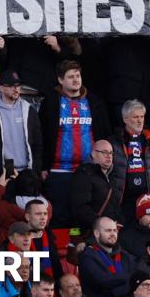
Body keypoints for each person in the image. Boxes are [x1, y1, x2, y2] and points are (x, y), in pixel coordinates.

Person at [40, 60, 111, 225]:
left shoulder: (94, 102)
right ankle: (63, 250)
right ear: (60, 80)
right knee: (61, 216)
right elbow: (42, 136)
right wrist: (43, 166)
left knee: (84, 216)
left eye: (78, 76)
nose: (76, 80)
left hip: (89, 170)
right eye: (70, 77)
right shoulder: (51, 102)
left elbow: (105, 135)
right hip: (59, 171)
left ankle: (83, 248)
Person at [0, 70, 42, 184]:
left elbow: (38, 143)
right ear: (1, 88)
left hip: (28, 173)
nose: (16, 89)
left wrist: (36, 171)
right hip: (2, 175)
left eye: (18, 85)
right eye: (11, 86)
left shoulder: (29, 110)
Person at [78, 216, 134, 297]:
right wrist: (127, 279)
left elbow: (135, 279)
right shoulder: (87, 256)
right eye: (108, 231)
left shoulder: (125, 255)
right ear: (96, 233)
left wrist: (116, 286)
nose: (113, 234)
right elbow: (103, 281)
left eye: (114, 230)